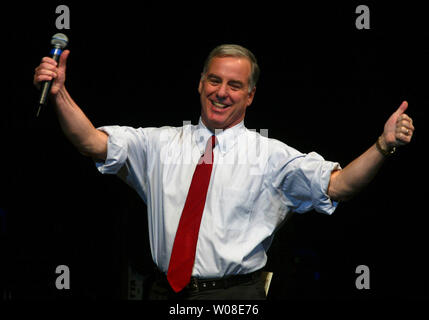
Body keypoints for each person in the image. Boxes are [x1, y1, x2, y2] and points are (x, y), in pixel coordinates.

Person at [33, 44, 414, 300]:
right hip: (164, 293)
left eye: (235, 85)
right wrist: (61, 93)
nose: (222, 92)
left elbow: (340, 186)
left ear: (250, 96)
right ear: (200, 84)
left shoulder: (270, 155)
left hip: (235, 298)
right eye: (214, 80)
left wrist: (383, 145)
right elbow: (90, 141)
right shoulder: (158, 144)